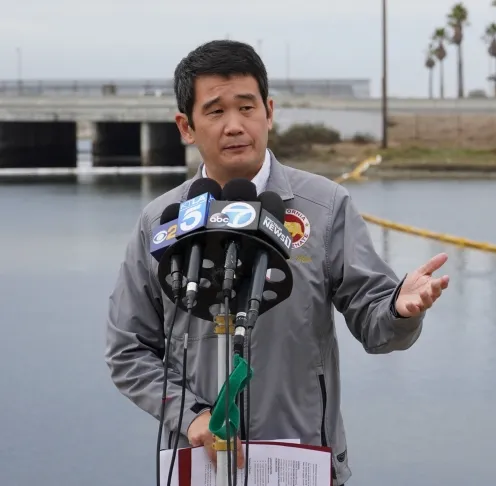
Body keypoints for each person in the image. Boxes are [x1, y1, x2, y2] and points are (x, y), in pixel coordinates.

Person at [104, 39, 449, 485]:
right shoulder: (160, 223)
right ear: (185, 126)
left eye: (247, 108)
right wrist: (190, 418)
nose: (235, 125)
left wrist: (398, 310)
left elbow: (377, 325)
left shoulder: (324, 207)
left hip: (303, 464)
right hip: (200, 466)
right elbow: (127, 349)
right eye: (215, 111)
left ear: (269, 111)